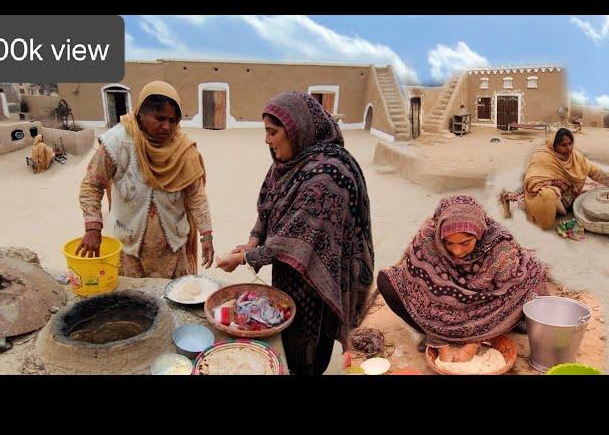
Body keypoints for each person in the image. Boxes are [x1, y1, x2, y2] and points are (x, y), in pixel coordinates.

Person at [216, 91, 374, 375]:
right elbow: (267, 206)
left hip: (318, 284)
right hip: (288, 276)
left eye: (273, 132)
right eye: (266, 131)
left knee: (308, 352)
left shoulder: (328, 176)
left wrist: (243, 258)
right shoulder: (290, 162)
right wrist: (251, 242)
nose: (267, 140)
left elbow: (292, 240)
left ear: (296, 130)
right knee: (286, 335)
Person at [377, 195, 549, 363]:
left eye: (465, 243)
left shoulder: (501, 247)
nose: (457, 252)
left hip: (485, 307)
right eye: (448, 243)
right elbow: (417, 288)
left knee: (529, 291)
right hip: (441, 307)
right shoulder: (427, 238)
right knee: (388, 281)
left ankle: (477, 335)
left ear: (479, 233)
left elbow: (508, 296)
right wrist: (441, 344)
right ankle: (441, 335)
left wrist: (471, 347)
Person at [77, 81, 214, 278]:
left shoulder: (184, 150)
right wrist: (93, 227)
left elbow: (196, 196)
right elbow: (92, 184)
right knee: (136, 305)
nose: (167, 127)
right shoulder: (117, 141)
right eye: (159, 118)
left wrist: (206, 235)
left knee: (175, 301)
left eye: (173, 120)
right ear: (141, 113)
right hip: (129, 249)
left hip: (173, 249)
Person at [502, 128, 609, 229]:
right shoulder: (542, 157)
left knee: (588, 195)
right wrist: (556, 184)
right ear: (555, 146)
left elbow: (596, 173)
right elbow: (531, 182)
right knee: (548, 197)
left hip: (568, 194)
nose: (568, 148)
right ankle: (509, 198)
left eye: (570, 144)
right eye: (563, 145)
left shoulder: (576, 157)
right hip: (544, 192)